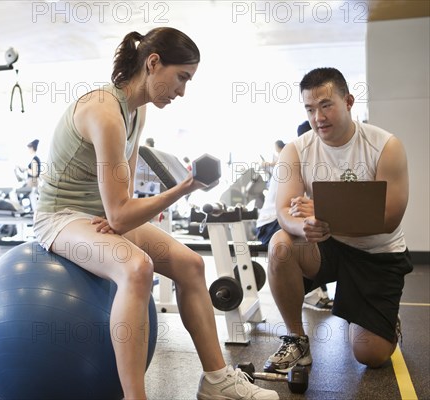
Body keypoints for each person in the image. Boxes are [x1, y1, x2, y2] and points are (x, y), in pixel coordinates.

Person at [34, 27, 278, 400]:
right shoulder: (105, 112)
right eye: (181, 77)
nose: (182, 91)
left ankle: (217, 381)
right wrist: (183, 189)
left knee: (191, 264)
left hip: (96, 216)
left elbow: (123, 201)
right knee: (136, 268)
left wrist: (118, 217)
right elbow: (119, 215)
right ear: (153, 63)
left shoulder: (137, 112)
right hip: (60, 218)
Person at [264, 67, 413, 374]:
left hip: (377, 254)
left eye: (326, 105)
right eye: (310, 108)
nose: (318, 116)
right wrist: (302, 226)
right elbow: (283, 211)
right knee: (281, 245)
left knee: (370, 356)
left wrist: (322, 213)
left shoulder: (386, 146)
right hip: (327, 247)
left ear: (348, 102)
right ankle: (297, 340)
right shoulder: (296, 149)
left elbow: (389, 218)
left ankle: (384, 325)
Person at [255, 122, 333, 312]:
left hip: (286, 217)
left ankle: (318, 293)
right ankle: (313, 295)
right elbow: (299, 208)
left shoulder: (315, 158)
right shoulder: (298, 157)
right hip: (271, 223)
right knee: (309, 233)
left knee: (316, 229)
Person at [24, 139, 41, 213]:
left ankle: (33, 213)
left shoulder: (35, 159)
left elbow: (34, 173)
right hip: (34, 181)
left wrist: (25, 169)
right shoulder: (36, 159)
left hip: (32, 181)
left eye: (29, 148)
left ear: (32, 148)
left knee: (32, 198)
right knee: (32, 198)